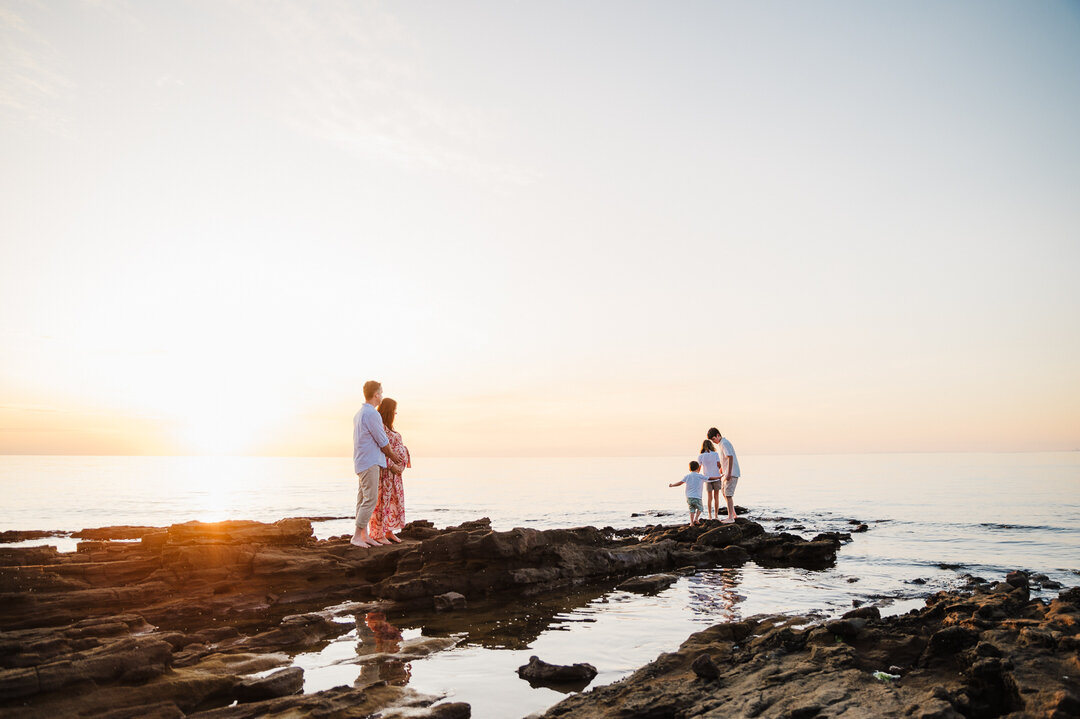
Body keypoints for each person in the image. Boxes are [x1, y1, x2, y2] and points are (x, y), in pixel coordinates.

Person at [352, 381, 403, 548]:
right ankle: (356, 537)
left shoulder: (359, 413)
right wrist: (393, 456)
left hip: (361, 461)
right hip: (370, 462)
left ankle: (363, 535)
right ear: (376, 395)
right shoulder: (372, 414)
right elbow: (382, 440)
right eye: (381, 392)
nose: (381, 395)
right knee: (370, 500)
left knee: (363, 500)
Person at [369, 397, 410, 545]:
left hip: (395, 475)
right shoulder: (380, 428)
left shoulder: (389, 428)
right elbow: (378, 449)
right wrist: (391, 465)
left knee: (393, 503)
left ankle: (388, 531)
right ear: (388, 411)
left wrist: (401, 464)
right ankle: (378, 533)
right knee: (382, 503)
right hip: (386, 472)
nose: (395, 414)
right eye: (394, 411)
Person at [707, 428, 741, 524]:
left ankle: (731, 517)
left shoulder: (724, 443)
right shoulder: (722, 444)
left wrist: (729, 473)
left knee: (728, 494)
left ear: (718, 435)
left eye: (714, 439)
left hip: (731, 473)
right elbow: (725, 458)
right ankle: (733, 514)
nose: (713, 442)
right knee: (724, 492)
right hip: (726, 472)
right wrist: (722, 468)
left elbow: (730, 457)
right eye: (712, 440)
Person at [669, 460, 706, 526]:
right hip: (697, 497)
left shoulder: (687, 476)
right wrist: (719, 477)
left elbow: (680, 483)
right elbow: (710, 478)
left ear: (689, 469)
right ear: (698, 468)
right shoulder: (700, 476)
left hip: (689, 497)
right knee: (700, 508)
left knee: (691, 510)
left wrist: (672, 485)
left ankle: (691, 522)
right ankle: (696, 519)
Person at [698, 439, 722, 520]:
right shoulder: (715, 454)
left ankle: (710, 516)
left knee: (709, 498)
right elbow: (719, 465)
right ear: (711, 445)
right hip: (717, 477)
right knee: (716, 497)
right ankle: (716, 515)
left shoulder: (701, 456)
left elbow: (698, 469)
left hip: (707, 478)